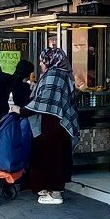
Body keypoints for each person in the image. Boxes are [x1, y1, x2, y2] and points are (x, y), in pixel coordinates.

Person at [25, 48, 78, 205]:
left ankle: (55, 193)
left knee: (52, 156)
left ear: (50, 60)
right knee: (57, 156)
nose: (40, 64)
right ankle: (52, 189)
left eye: (43, 61)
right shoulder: (64, 74)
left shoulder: (54, 75)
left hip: (52, 124)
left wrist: (21, 110)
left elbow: (44, 101)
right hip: (58, 124)